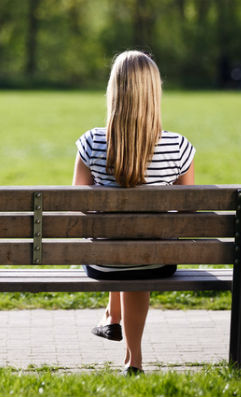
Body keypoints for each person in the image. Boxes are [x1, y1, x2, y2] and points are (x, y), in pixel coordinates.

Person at [72, 50, 195, 375]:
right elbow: (186, 212)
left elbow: (76, 206)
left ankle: (114, 320)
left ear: (114, 91)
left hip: (103, 261)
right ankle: (133, 360)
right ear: (155, 92)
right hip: (158, 260)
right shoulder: (179, 147)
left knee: (117, 241)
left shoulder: (92, 143)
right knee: (139, 249)